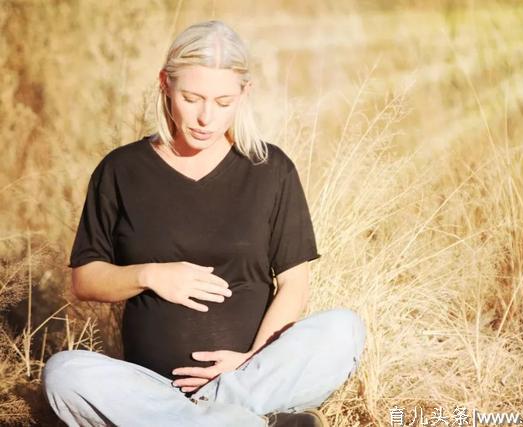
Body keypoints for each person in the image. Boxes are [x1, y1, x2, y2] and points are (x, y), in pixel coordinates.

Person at [42, 20, 366, 427]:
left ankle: (217, 412)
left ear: (245, 93)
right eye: (192, 98)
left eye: (223, 101)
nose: (206, 117)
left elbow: (294, 285)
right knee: (64, 374)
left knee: (344, 330)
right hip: (153, 388)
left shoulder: (271, 170)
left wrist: (249, 362)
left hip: (251, 376)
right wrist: (151, 274)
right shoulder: (121, 170)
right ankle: (246, 421)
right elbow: (85, 280)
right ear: (165, 84)